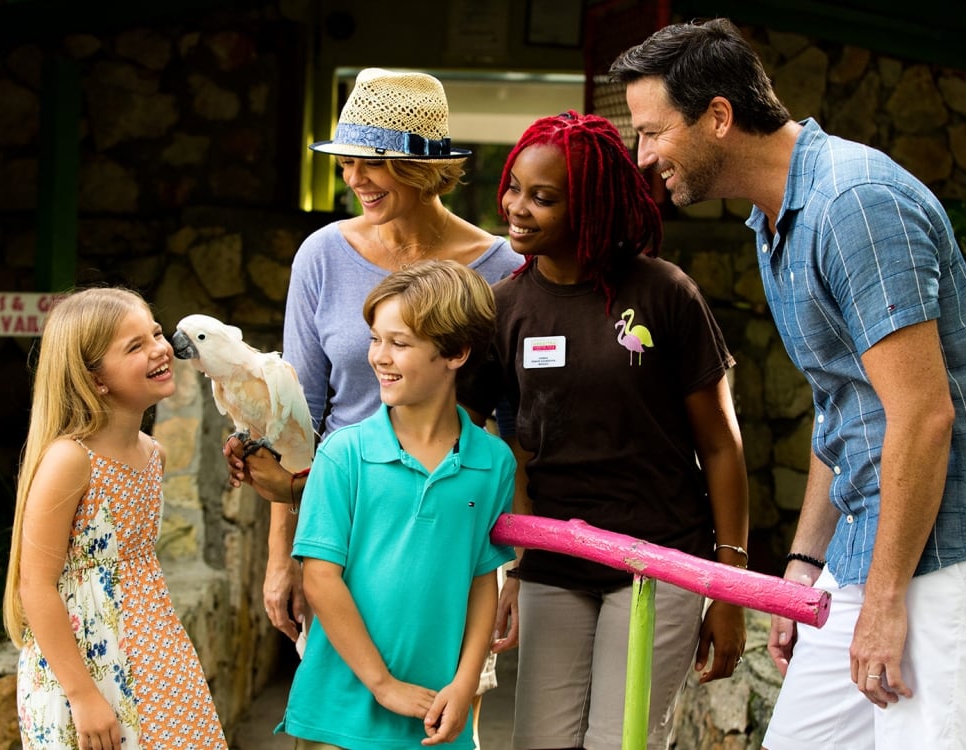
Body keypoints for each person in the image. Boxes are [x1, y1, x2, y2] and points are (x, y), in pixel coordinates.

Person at [610, 17, 966, 749]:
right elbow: (840, 407)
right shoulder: (775, 219)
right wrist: (804, 568)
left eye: (653, 132)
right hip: (863, 547)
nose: (644, 157)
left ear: (718, 116)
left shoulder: (854, 205)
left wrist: (884, 599)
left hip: (941, 558)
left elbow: (924, 414)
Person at [223, 67, 520, 744]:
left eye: (373, 162)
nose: (355, 179)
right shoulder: (322, 255)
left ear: (425, 168)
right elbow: (293, 419)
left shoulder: (500, 269)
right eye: (349, 162)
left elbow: (508, 419)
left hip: (453, 525)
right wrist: (284, 557)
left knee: (443, 723)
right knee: (346, 724)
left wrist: (516, 573)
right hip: (342, 524)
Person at [488, 111, 749, 750]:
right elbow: (506, 444)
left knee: (622, 742)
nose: (517, 208)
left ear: (593, 207)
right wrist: (515, 569)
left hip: (658, 564)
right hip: (555, 560)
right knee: (539, 743)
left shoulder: (664, 294)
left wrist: (729, 586)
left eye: (542, 197)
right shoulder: (504, 308)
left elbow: (720, 444)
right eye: (514, 187)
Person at [274, 260, 516, 749]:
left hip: (436, 716)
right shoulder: (344, 455)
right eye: (374, 339)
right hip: (338, 717)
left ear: (456, 353)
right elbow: (320, 578)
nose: (378, 357)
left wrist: (465, 685)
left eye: (399, 343)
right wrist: (383, 686)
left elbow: (481, 580)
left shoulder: (493, 462)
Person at [2, 287, 228, 750]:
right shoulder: (70, 459)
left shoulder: (153, 455)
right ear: (96, 379)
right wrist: (82, 695)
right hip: (81, 669)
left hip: (156, 650)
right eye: (135, 346)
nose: (161, 348)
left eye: (156, 333)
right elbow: (35, 585)